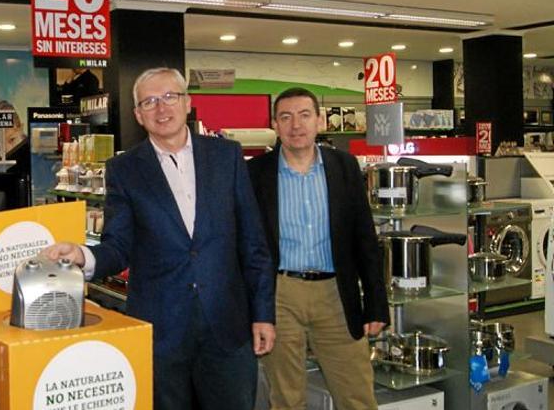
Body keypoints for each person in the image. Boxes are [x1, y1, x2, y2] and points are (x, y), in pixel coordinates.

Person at [44, 67, 275, 410]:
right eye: (149, 102)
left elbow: (253, 243)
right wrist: (81, 254)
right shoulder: (124, 170)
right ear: (138, 114)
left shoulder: (227, 157)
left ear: (188, 102)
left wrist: (263, 314)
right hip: (161, 330)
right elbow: (118, 246)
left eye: (170, 97)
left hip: (227, 325)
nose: (161, 108)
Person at [246, 87, 389, 409]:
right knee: (286, 398)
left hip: (336, 294)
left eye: (304, 115)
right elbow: (247, 245)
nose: (296, 125)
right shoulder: (255, 173)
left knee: (357, 394)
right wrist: (255, 309)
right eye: (286, 117)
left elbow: (364, 237)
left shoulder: (345, 167)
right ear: (275, 124)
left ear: (320, 121)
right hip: (280, 294)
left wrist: (377, 303)